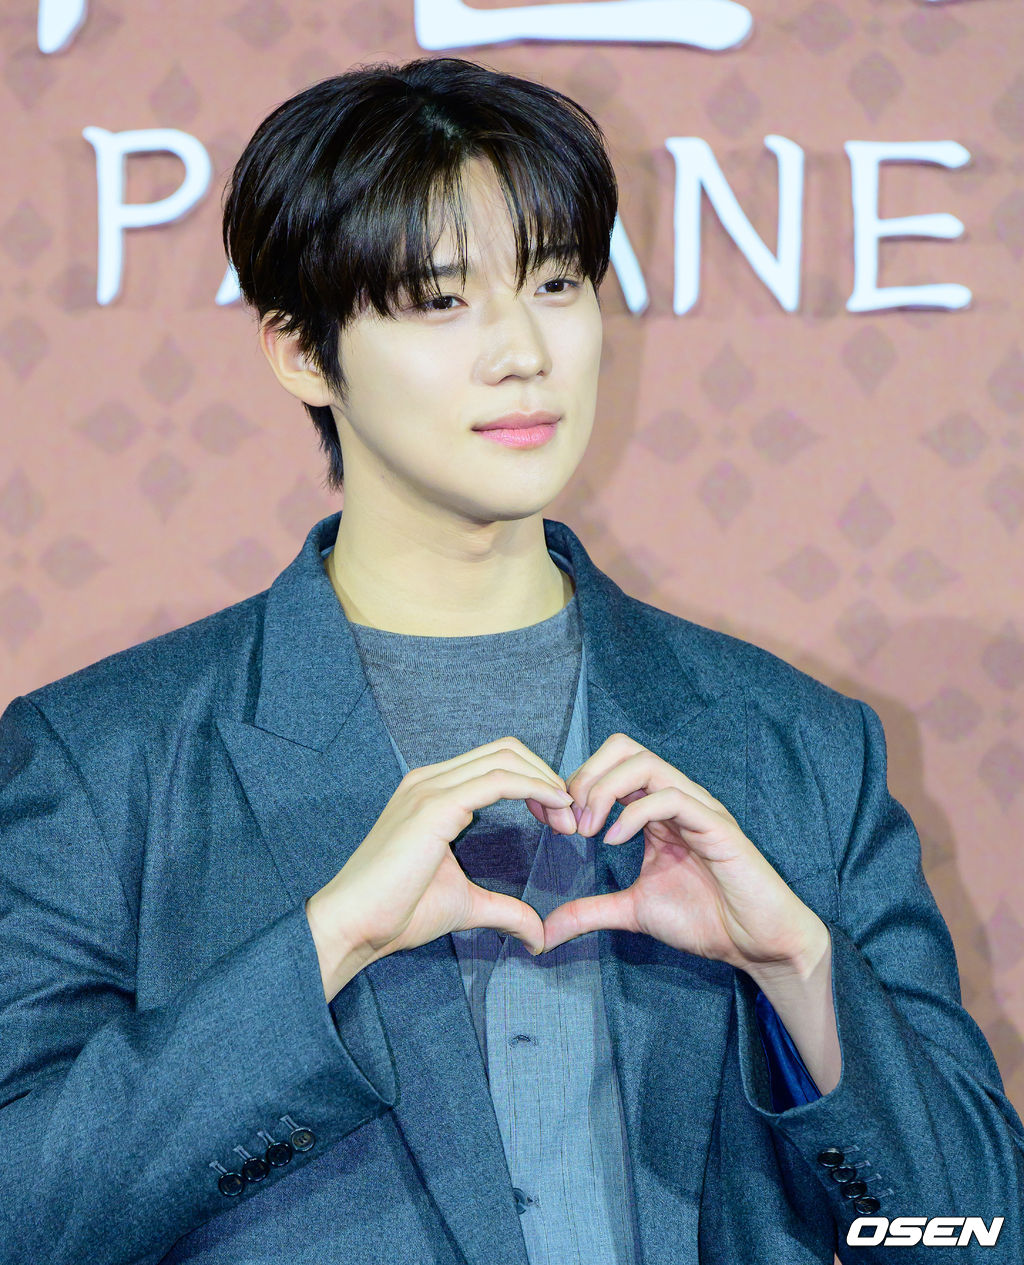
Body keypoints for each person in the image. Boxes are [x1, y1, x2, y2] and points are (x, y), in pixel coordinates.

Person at [0, 55, 1021, 1265]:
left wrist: (797, 967)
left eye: (555, 282)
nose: (523, 350)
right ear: (299, 350)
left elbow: (982, 1229)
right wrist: (322, 947)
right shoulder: (106, 757)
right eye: (440, 300)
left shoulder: (795, 741)